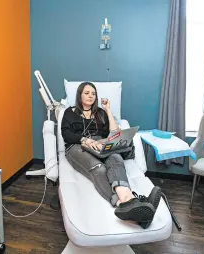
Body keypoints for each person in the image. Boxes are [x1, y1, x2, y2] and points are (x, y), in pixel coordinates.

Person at [61, 82, 162, 228]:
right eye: (86, 93)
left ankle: (131, 204)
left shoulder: (101, 113)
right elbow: (66, 134)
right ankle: (131, 205)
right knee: (99, 168)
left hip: (101, 144)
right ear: (79, 95)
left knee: (116, 159)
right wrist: (85, 140)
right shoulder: (70, 112)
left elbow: (115, 132)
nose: (90, 96)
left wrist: (107, 110)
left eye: (93, 93)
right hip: (77, 146)